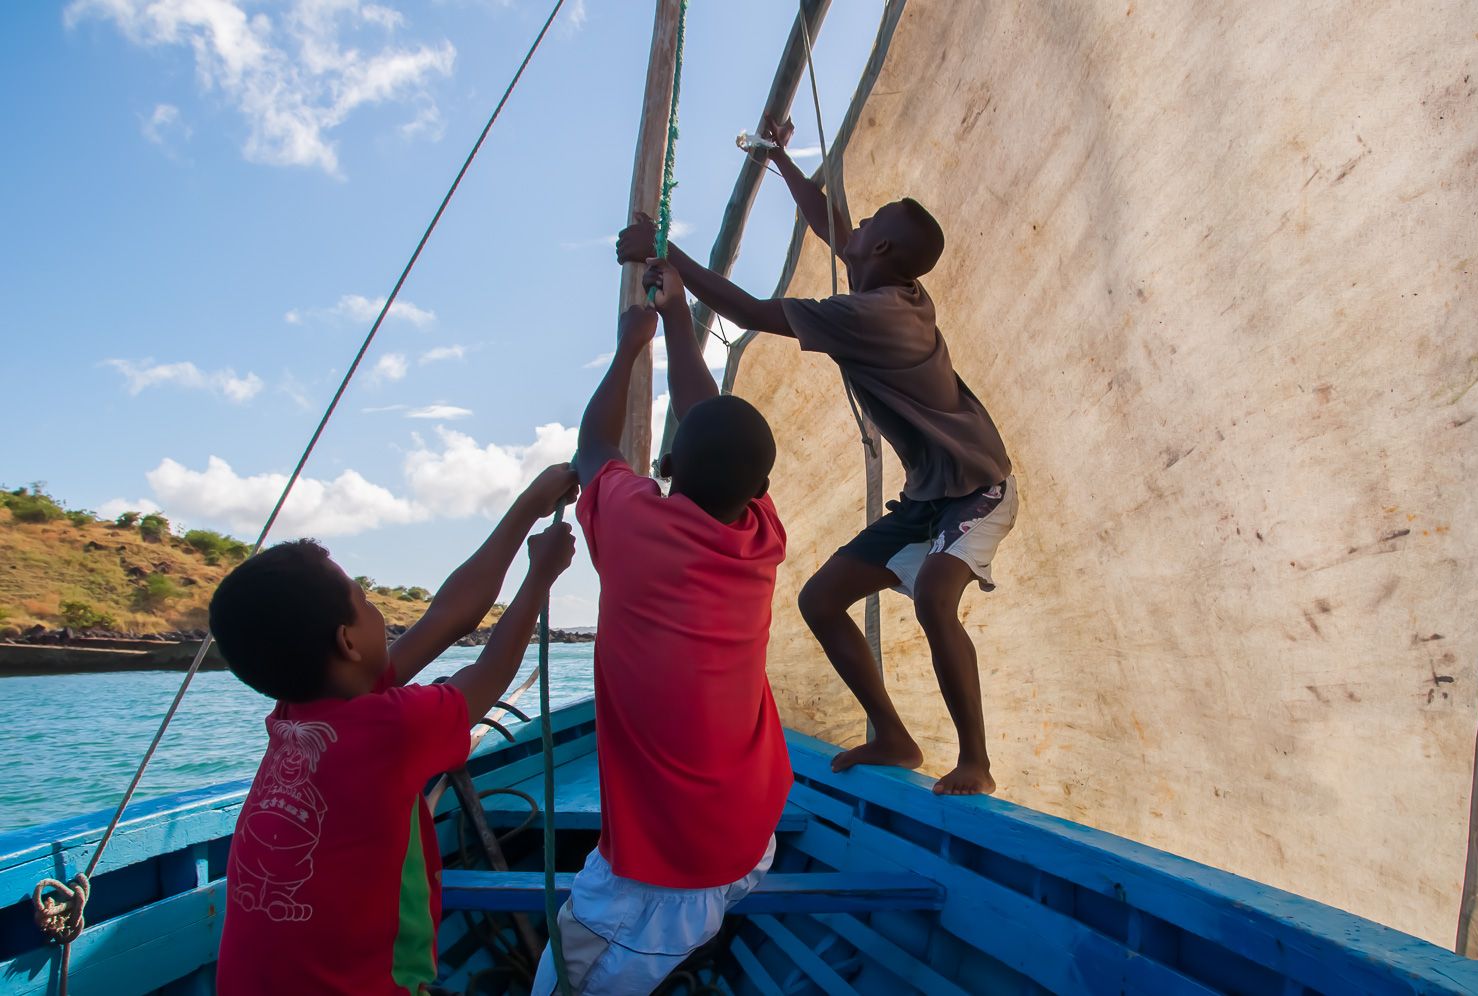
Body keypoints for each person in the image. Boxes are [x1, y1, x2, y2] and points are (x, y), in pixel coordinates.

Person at [616, 115, 1016, 796]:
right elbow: (835, 223)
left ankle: (974, 760)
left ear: (881, 247)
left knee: (934, 601)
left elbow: (748, 312)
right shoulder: (888, 281)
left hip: (977, 486)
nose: (853, 229)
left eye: (868, 227)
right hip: (929, 495)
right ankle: (893, 735)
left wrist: (663, 253)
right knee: (821, 600)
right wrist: (782, 162)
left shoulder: (871, 316)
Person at [211, 467, 578, 995]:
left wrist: (527, 508)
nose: (379, 612)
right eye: (366, 602)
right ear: (347, 642)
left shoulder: (297, 713)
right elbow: (492, 673)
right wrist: (539, 577)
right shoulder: (390, 727)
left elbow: (448, 616)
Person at [531, 264, 791, 995]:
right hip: (749, 839)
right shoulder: (761, 537)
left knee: (558, 986)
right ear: (760, 492)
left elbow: (593, 449)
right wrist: (677, 318)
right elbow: (704, 406)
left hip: (670, 866)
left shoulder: (633, 519)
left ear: (669, 464)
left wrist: (628, 345)